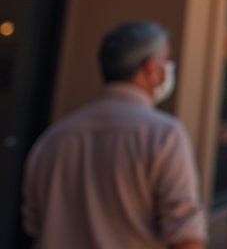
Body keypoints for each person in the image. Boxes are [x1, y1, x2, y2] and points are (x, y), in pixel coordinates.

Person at [22, 20, 206, 249]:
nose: (168, 69)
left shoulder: (52, 138)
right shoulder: (164, 135)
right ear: (151, 67)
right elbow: (185, 236)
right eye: (167, 61)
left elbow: (33, 224)